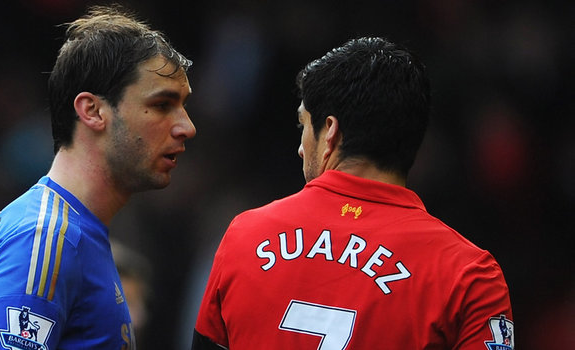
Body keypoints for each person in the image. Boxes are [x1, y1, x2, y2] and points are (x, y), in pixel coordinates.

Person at [192, 37, 513, 349]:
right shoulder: (468, 275)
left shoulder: (245, 236)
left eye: (303, 125)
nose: (301, 149)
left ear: (330, 131)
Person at [0, 5, 196, 350]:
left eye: (183, 106)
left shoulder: (76, 235)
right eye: (162, 105)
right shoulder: (45, 238)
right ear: (93, 111)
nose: (187, 127)